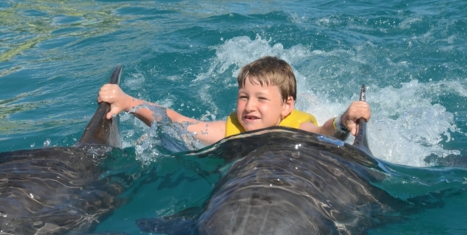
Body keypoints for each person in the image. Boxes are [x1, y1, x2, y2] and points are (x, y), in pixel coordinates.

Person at [97, 56, 370, 147]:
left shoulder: (295, 128)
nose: (249, 106)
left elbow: (323, 134)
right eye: (243, 97)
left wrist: (343, 122)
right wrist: (128, 102)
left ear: (286, 106)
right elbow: (178, 123)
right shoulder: (231, 129)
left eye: (262, 99)